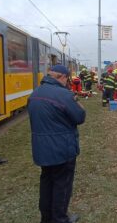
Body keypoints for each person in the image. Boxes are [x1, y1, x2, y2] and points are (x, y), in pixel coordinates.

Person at [28, 65, 86, 223]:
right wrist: (78, 103)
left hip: (42, 149)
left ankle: (46, 218)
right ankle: (60, 219)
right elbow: (80, 117)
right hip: (62, 149)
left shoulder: (35, 93)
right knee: (62, 186)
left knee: (46, 183)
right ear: (63, 77)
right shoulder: (64, 94)